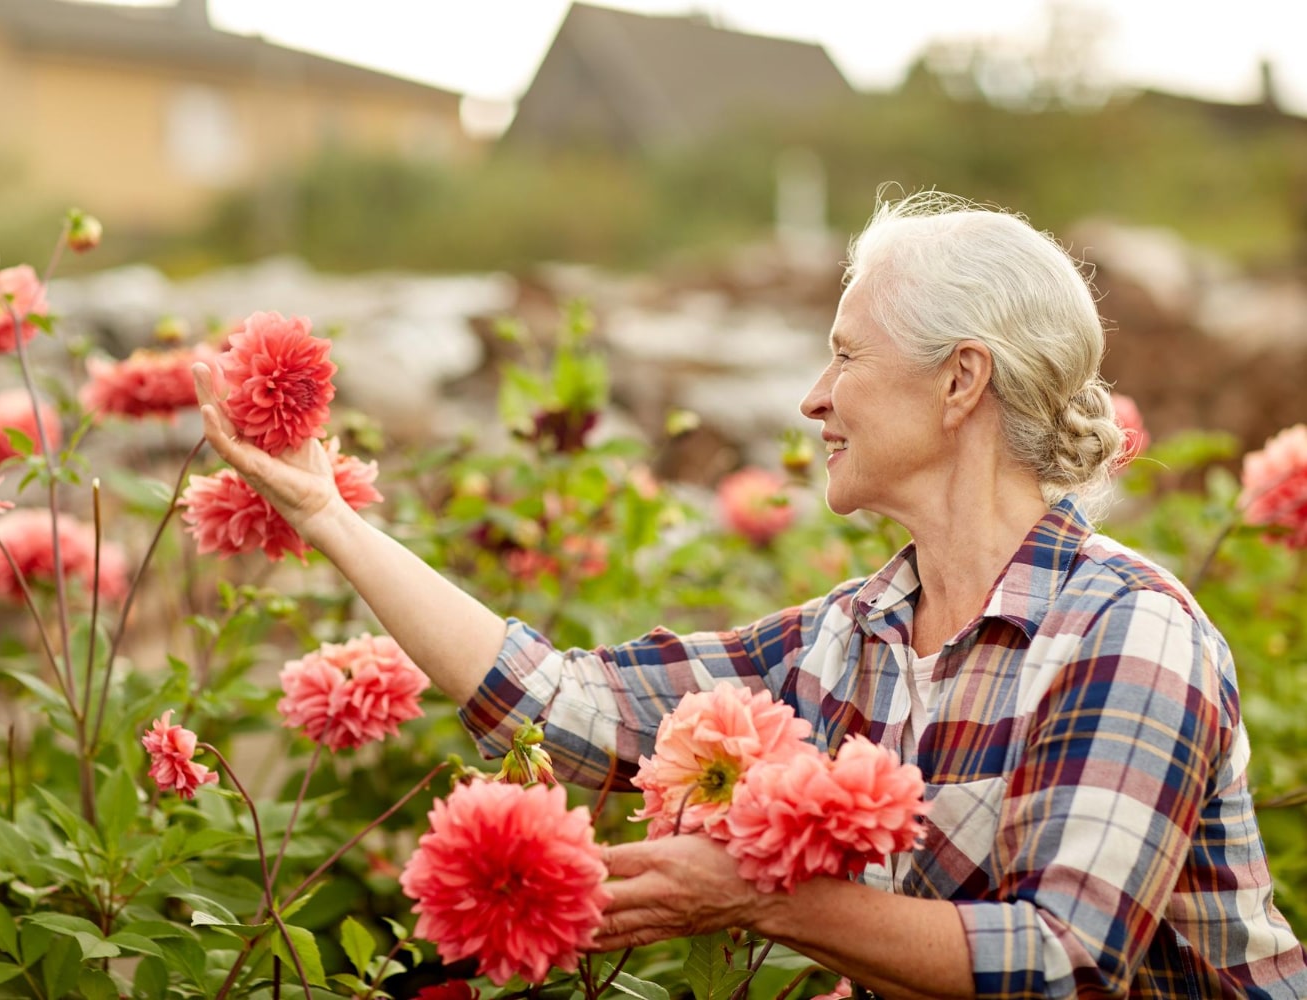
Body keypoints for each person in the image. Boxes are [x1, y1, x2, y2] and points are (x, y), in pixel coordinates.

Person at [191, 191, 1307, 999]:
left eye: (845, 357)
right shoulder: (852, 637)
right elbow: (567, 705)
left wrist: (761, 899)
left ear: (961, 381)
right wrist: (326, 512)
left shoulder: (1128, 629)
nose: (814, 399)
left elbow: (1061, 960)